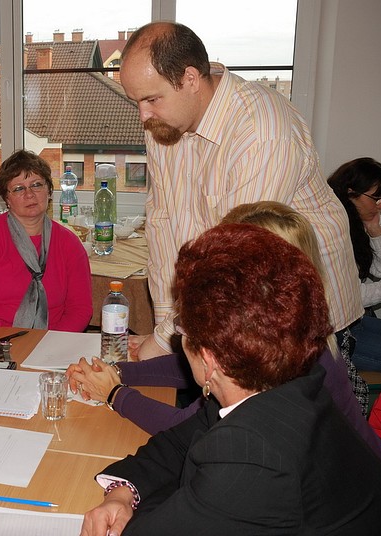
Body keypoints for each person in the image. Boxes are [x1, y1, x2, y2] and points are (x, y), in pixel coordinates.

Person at [80, 224, 381, 536]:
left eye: (181, 330)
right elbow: (177, 443)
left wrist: (136, 510)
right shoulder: (269, 381)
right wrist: (123, 492)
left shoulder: (252, 456)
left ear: (208, 360)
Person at [118, 22, 363, 360]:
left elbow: (235, 256)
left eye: (151, 99)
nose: (143, 115)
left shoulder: (262, 131)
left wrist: (165, 340)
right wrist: (169, 333)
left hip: (302, 313)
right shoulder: (163, 121)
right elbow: (163, 224)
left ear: (190, 79)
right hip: (232, 302)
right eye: (137, 101)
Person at [0, 150, 93, 334]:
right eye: (19, 188)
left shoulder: (69, 244)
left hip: (53, 340)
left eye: (36, 185)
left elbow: (80, 309)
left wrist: (51, 343)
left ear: (49, 191)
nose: (29, 194)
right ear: (6, 198)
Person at [327, 157, 381, 374]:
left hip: (352, 321)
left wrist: (374, 228)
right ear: (350, 192)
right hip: (333, 337)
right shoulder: (333, 232)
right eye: (376, 198)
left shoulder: (354, 223)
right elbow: (353, 296)